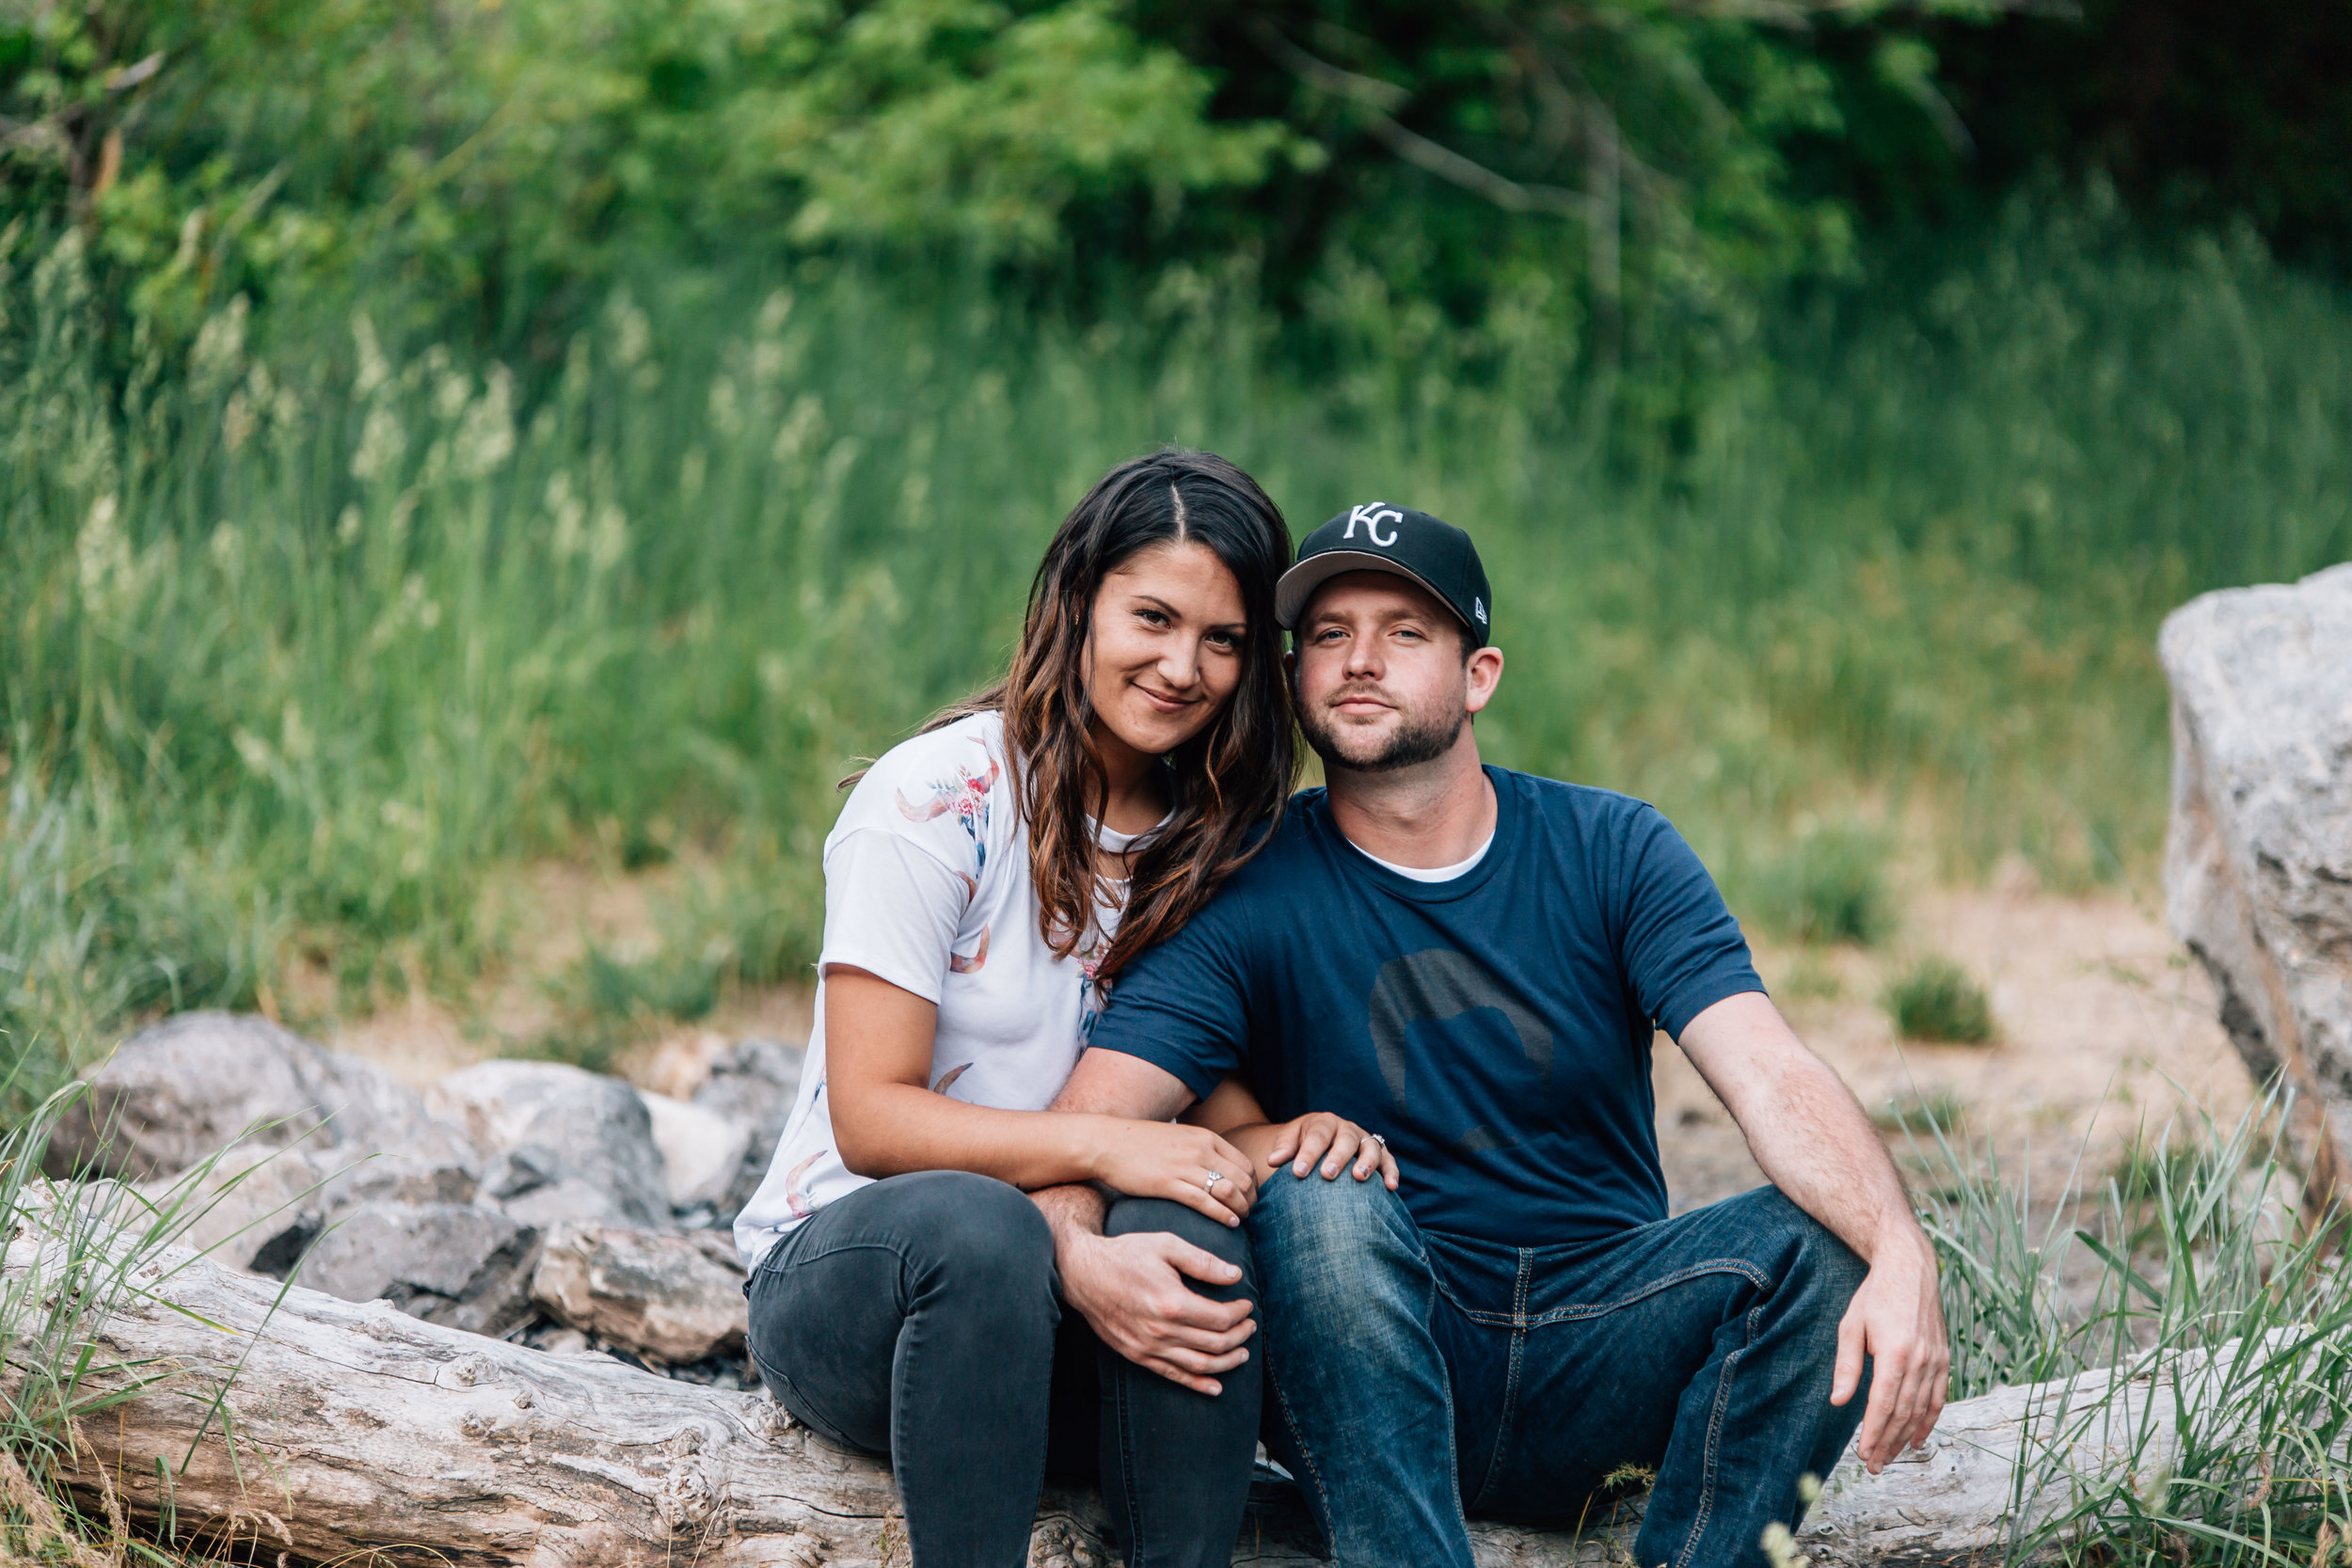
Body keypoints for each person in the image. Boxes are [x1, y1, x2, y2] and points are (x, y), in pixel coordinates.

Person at [1034, 504, 1951, 1568]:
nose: (1360, 660)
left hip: (1607, 1329)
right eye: (1328, 634)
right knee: (1314, 1191)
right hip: (1384, 1347)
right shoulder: (1241, 885)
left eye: (1405, 631)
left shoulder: (1612, 848)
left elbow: (1767, 1067)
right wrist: (1073, 1251)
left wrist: (1901, 1246)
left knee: (1826, 1243)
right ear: (1292, 675)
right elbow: (1087, 1125)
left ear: (1480, 674)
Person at [732, 452, 1397, 1568]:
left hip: (1063, 1329)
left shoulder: (1216, 838)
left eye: (1222, 638)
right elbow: (873, 1120)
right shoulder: (935, 798)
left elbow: (1190, 1093)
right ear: (1076, 602)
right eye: (1151, 616)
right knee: (980, 1227)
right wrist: (1113, 1147)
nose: (1181, 666)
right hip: (863, 1288)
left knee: (1195, 1231)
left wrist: (1271, 1141)